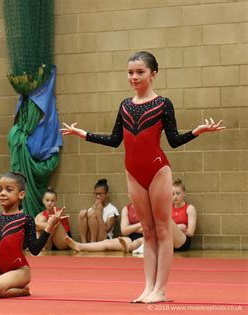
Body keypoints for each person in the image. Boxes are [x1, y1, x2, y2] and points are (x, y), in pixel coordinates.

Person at [61, 51, 224, 303]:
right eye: (130, 72)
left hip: (158, 169)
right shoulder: (125, 105)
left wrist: (197, 131)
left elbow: (174, 140)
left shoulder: (163, 104)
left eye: (140, 72)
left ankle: (161, 289)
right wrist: (85, 134)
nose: (134, 77)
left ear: (153, 74)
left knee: (162, 229)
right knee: (147, 232)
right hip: (132, 171)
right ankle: (148, 287)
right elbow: (116, 140)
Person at [0, 172, 66, 298]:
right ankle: (4, 282)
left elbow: (35, 249)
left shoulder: (26, 219)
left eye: (9, 190)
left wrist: (50, 226)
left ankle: (23, 290)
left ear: (21, 194)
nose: (2, 193)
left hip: (19, 271)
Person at [65, 201, 144, 253]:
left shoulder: (147, 207)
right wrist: (140, 224)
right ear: (129, 195)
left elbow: (149, 229)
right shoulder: (126, 209)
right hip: (130, 238)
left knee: (137, 242)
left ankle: (128, 248)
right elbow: (124, 230)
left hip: (146, 238)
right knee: (106, 243)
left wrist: (131, 228)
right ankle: (79, 246)